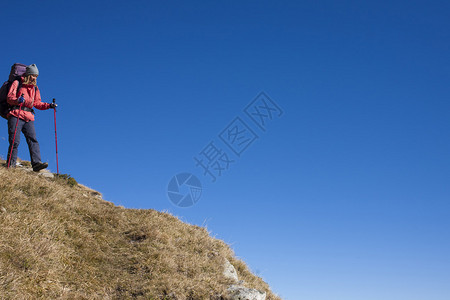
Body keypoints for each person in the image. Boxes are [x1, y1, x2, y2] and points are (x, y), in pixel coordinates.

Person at [6, 64, 57, 172]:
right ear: (28, 74)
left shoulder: (34, 88)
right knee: (15, 141)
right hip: (16, 114)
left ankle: (36, 163)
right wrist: (17, 100)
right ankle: (11, 165)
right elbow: (10, 97)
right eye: (33, 75)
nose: (35, 78)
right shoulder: (17, 83)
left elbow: (37, 103)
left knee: (33, 140)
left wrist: (49, 106)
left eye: (36, 76)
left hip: (28, 117)